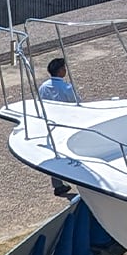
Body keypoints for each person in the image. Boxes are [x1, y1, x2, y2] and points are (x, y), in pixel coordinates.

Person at [37, 58, 77, 196]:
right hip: (65, 124)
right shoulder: (67, 88)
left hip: (50, 124)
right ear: (60, 71)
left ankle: (58, 184)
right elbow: (76, 104)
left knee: (55, 153)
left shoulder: (43, 87)